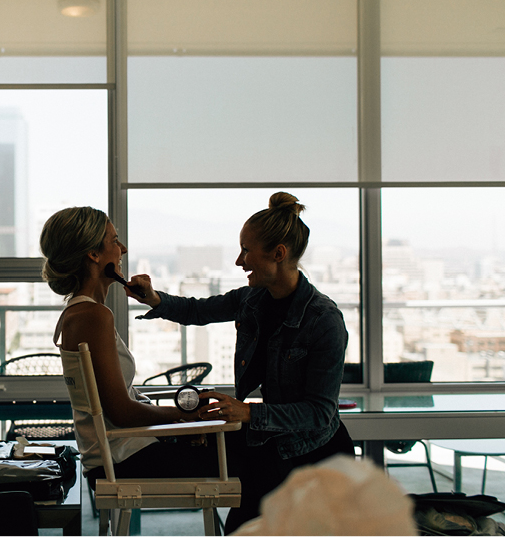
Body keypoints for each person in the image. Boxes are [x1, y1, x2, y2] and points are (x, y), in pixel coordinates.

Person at [127, 192, 354, 533]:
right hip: (270, 442)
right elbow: (198, 310)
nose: (238, 260)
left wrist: (248, 413)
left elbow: (320, 413)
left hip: (313, 456)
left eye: (246, 250)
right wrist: (155, 298)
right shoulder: (253, 299)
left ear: (278, 254)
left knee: (244, 525)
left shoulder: (323, 319)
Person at [40, 206, 219, 487]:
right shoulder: (94, 316)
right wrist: (187, 414)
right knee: (247, 450)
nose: (122, 248)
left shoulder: (79, 313)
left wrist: (177, 422)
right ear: (94, 255)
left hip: (119, 453)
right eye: (114, 240)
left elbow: (121, 404)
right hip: (125, 458)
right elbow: (121, 412)